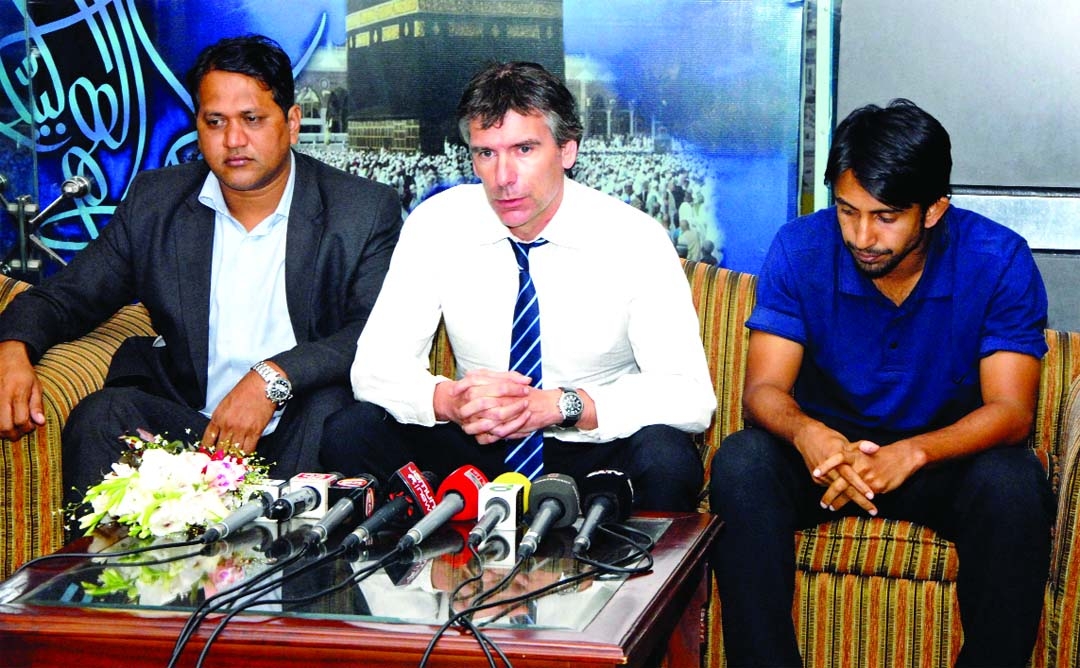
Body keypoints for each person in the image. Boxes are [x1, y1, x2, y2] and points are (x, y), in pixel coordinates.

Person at [709, 99, 1053, 666]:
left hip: (941, 461)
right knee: (742, 461)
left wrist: (911, 454)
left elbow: (1012, 411)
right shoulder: (800, 248)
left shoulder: (997, 259)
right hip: (827, 464)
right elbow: (763, 391)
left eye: (886, 216)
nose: (862, 234)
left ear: (934, 209)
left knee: (1014, 483)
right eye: (847, 211)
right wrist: (809, 435)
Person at [0, 35, 402, 520]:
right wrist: (13, 347)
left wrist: (272, 378)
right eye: (216, 122)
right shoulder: (156, 203)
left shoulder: (360, 209)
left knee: (332, 414)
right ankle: (114, 590)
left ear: (291, 123)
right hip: (192, 428)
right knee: (103, 416)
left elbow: (373, 334)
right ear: (198, 127)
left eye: (252, 120)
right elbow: (68, 297)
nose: (233, 140)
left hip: (300, 426)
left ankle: (285, 583)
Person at [321, 61, 715, 510]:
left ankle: (621, 569)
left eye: (524, 149)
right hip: (475, 443)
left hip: (586, 443)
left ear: (567, 150)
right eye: (485, 153)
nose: (502, 176)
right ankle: (415, 565)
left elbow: (690, 397)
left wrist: (563, 405)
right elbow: (373, 370)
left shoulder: (634, 238)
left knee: (666, 458)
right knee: (350, 431)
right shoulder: (436, 223)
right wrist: (451, 400)